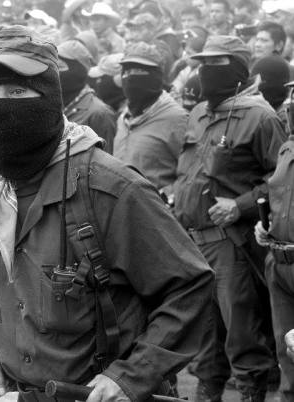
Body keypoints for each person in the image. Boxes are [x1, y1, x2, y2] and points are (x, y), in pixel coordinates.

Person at [0, 24, 214, 402]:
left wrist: (130, 377)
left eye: (17, 91)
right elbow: (0, 291)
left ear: (49, 96)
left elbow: (190, 286)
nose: (0, 106)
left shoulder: (109, 187)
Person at [172, 35, 286, 402]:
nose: (205, 70)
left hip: (231, 241)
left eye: (216, 63)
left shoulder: (260, 116)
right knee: (205, 330)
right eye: (203, 62)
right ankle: (208, 391)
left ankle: (252, 392)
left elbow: (281, 180)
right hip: (192, 239)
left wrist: (240, 205)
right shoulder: (198, 113)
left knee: (240, 330)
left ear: (237, 68)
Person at [254, 80, 294, 401]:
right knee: (287, 357)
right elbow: (278, 195)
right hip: (279, 262)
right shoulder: (287, 148)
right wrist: (265, 225)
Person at [114, 43, 188, 197]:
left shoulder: (177, 119)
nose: (131, 77)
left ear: (156, 75)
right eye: (127, 71)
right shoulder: (123, 118)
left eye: (139, 71)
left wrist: (165, 198)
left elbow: (190, 176)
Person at [58, 40, 116, 153]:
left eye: (60, 66)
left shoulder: (99, 114)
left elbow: (105, 159)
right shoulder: (53, 105)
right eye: (53, 66)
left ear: (79, 70)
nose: (55, 72)